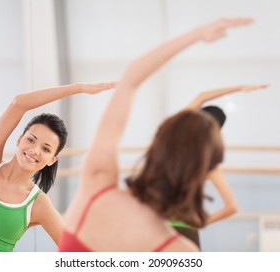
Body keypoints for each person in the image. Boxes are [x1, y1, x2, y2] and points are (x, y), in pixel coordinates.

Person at [58, 17, 254, 252]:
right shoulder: (179, 251)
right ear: (206, 170)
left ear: (157, 141)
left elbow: (130, 80)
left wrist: (196, 34)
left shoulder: (96, 182)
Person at [0, 82, 115, 252]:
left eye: (46, 149)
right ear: (19, 140)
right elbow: (18, 103)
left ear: (52, 159)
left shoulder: (37, 203)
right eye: (31, 140)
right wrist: (79, 88)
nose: (34, 150)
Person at [171, 84, 268, 247]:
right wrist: (203, 222)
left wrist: (239, 88)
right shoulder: (208, 164)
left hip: (156, 228)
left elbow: (201, 96)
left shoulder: (173, 135)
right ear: (216, 131)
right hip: (186, 232)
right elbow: (232, 207)